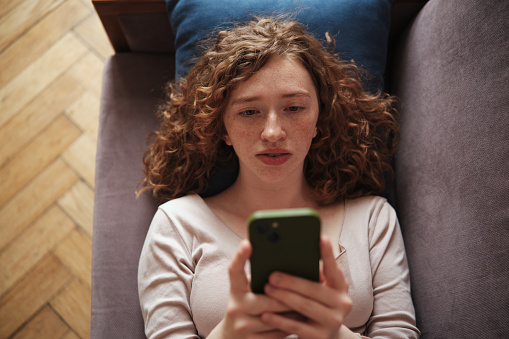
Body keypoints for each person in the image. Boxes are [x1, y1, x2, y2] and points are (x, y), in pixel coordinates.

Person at [137, 17, 420, 339]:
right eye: (249, 112)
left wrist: (332, 334)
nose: (273, 133)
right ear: (222, 128)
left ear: (319, 119)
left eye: (294, 108)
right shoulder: (178, 224)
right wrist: (230, 333)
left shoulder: (372, 218)